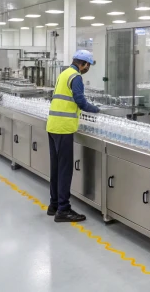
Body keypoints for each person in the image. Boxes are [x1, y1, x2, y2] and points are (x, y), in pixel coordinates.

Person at [46, 50, 101, 223]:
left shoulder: (64, 73)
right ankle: (63, 209)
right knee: (64, 170)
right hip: (63, 128)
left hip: (53, 125)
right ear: (83, 64)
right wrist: (98, 110)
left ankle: (54, 204)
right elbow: (81, 101)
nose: (87, 69)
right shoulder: (76, 77)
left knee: (56, 168)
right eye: (88, 66)